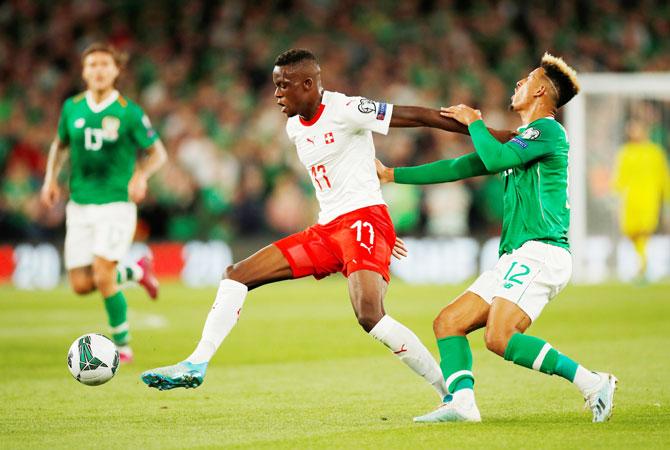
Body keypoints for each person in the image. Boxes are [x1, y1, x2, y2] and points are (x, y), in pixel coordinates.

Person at [140, 49, 511, 398]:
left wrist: (497, 136)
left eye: (283, 85)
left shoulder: (346, 108)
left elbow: (415, 116)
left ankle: (448, 392)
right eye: (274, 84)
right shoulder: (294, 128)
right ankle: (196, 363)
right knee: (236, 274)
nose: (276, 93)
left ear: (308, 85)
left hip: (364, 220)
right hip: (327, 230)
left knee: (369, 315)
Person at [376, 53, 617, 423]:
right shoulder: (520, 141)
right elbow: (460, 166)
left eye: (526, 79)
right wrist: (392, 174)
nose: (518, 83)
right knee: (448, 323)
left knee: (499, 337)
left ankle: (593, 382)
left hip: (543, 250)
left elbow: (490, 160)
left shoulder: (549, 131)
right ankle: (462, 403)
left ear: (540, 90)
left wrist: (475, 122)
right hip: (517, 256)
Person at [41, 42, 167, 363]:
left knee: (102, 273)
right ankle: (138, 272)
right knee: (81, 284)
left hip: (116, 203)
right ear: (84, 72)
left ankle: (122, 347)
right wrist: (50, 179)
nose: (98, 70)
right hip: (80, 203)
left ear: (116, 70)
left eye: (104, 64)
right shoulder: (72, 107)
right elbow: (60, 145)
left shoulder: (129, 111)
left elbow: (158, 154)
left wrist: (140, 175)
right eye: (92, 65)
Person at [613, 118, 670, 281]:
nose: (633, 132)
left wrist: (666, 202)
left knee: (645, 232)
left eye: (636, 128)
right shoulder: (625, 152)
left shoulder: (655, 152)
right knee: (632, 233)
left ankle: (643, 268)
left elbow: (663, 177)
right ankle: (643, 266)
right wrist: (615, 198)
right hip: (630, 200)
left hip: (649, 199)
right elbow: (619, 178)